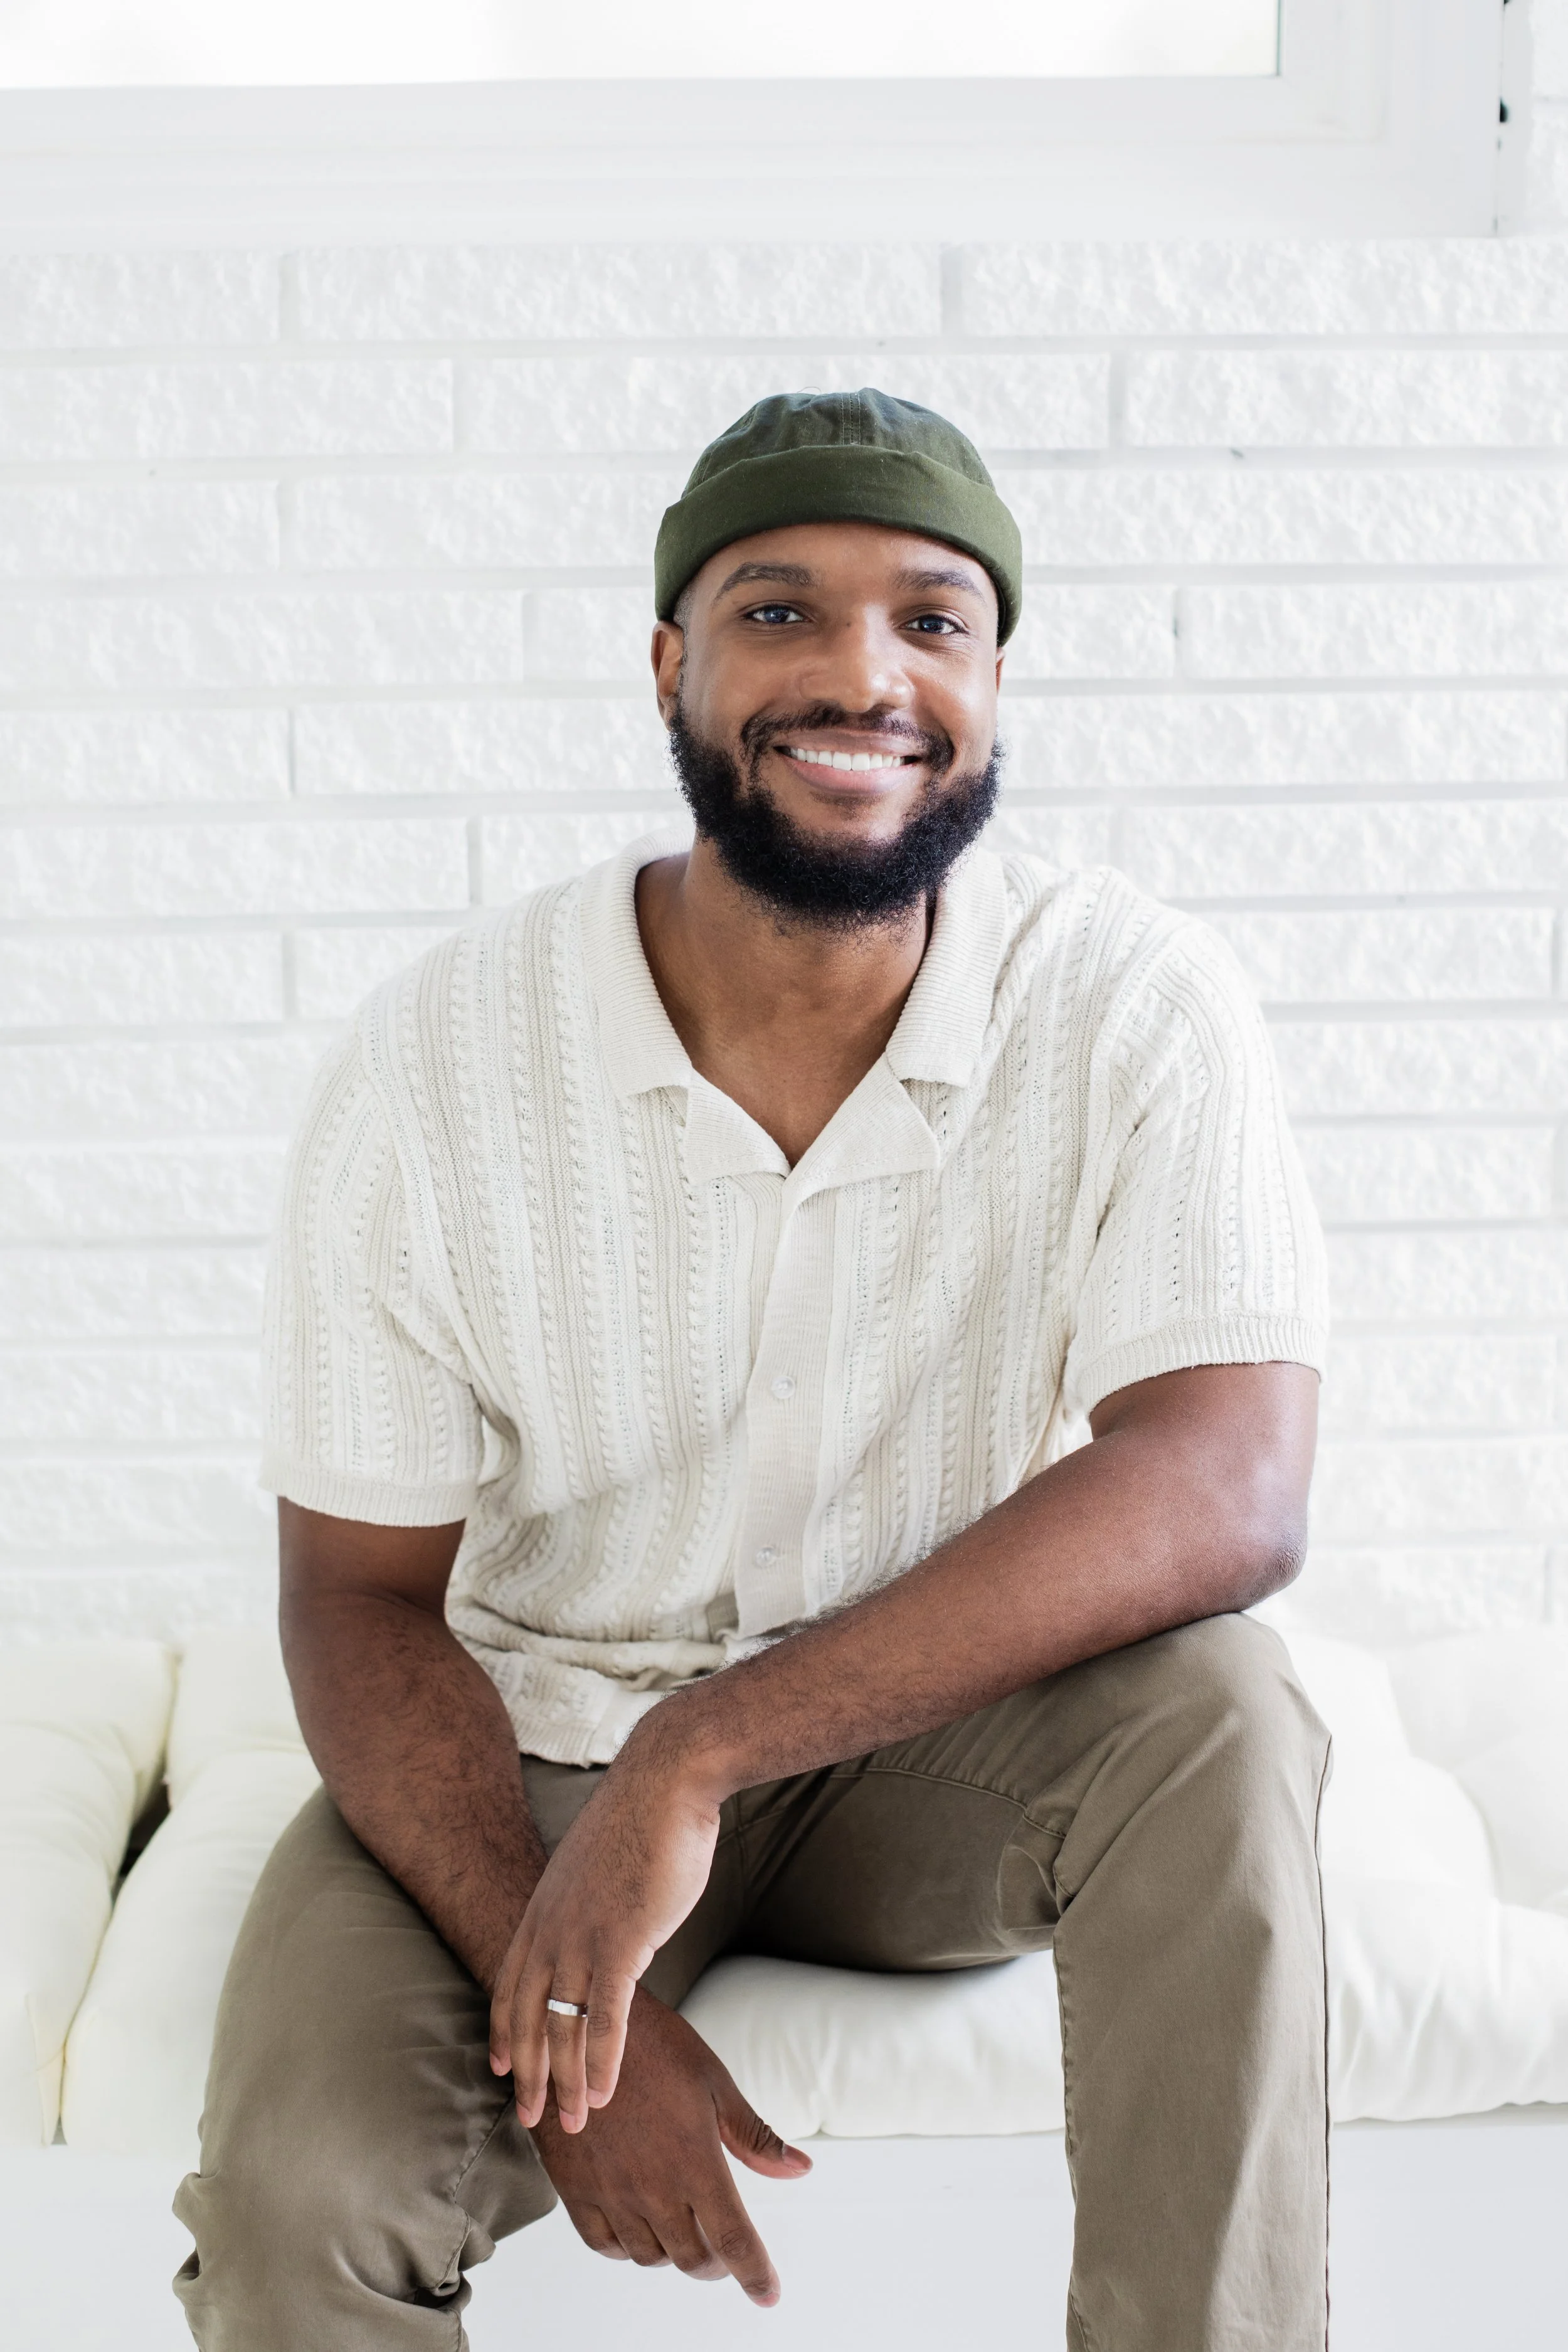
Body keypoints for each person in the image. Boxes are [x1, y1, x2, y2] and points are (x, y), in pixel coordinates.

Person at [174, 390, 1332, 2352]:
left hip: (939, 1746)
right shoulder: (438, 1056)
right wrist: (580, 2004)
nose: (863, 676)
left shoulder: (1132, 999)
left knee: (1220, 1710)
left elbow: (1227, 1484)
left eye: (932, 620)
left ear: (991, 682)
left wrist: (698, 1750)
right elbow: (356, 1595)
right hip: (535, 1745)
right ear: (671, 669)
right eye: (778, 612)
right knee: (302, 2204)